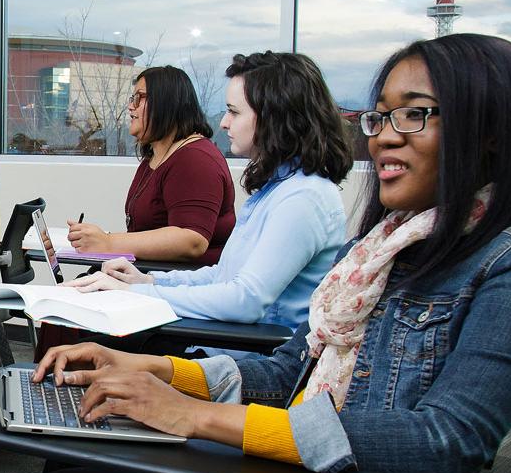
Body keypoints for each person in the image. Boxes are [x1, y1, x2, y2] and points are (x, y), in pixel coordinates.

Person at [25, 34, 511, 473]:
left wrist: (194, 417)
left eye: (414, 114)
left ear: (492, 132)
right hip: (296, 463)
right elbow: (288, 374)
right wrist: (153, 368)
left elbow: (439, 448)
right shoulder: (377, 251)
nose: (382, 136)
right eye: (379, 117)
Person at [64, 52, 354, 331]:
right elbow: (223, 275)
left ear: (274, 118)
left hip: (247, 357)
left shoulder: (303, 199)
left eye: (233, 112)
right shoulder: (276, 190)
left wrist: (136, 294)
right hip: (220, 339)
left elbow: (245, 301)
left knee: (83, 328)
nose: (224, 122)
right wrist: (148, 281)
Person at [66, 66, 235, 266]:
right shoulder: (156, 156)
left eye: (139, 98)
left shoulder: (195, 159)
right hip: (147, 275)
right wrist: (93, 240)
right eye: (132, 99)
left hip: (180, 284)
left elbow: (192, 240)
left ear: (166, 103)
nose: (131, 107)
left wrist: (109, 242)